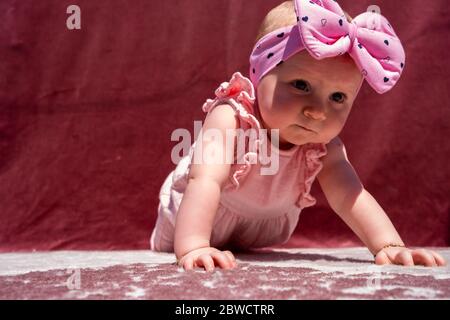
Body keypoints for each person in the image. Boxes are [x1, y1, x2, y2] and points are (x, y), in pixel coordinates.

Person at [150, 0, 447, 271]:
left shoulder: (322, 145)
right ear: (260, 74)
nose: (318, 111)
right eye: (301, 85)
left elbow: (349, 196)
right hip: (194, 215)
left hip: (257, 228)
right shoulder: (232, 117)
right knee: (197, 232)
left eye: (338, 97)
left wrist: (389, 245)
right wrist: (194, 245)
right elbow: (205, 179)